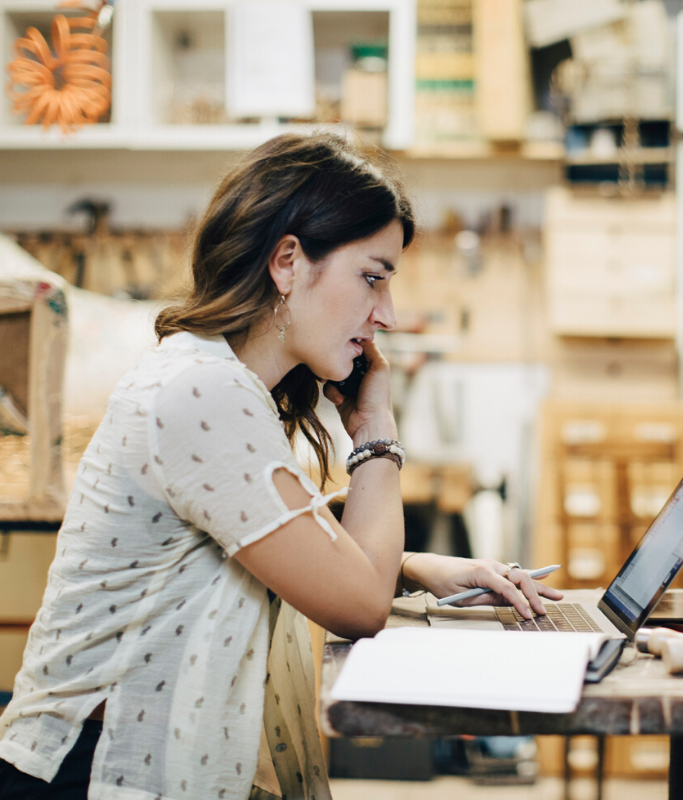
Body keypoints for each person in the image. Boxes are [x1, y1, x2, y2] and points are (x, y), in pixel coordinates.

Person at [0, 131, 562, 800]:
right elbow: (359, 606)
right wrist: (374, 432)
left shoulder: (219, 379)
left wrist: (416, 567)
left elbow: (258, 540)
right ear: (288, 262)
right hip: (93, 771)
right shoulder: (203, 393)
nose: (384, 314)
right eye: (372, 278)